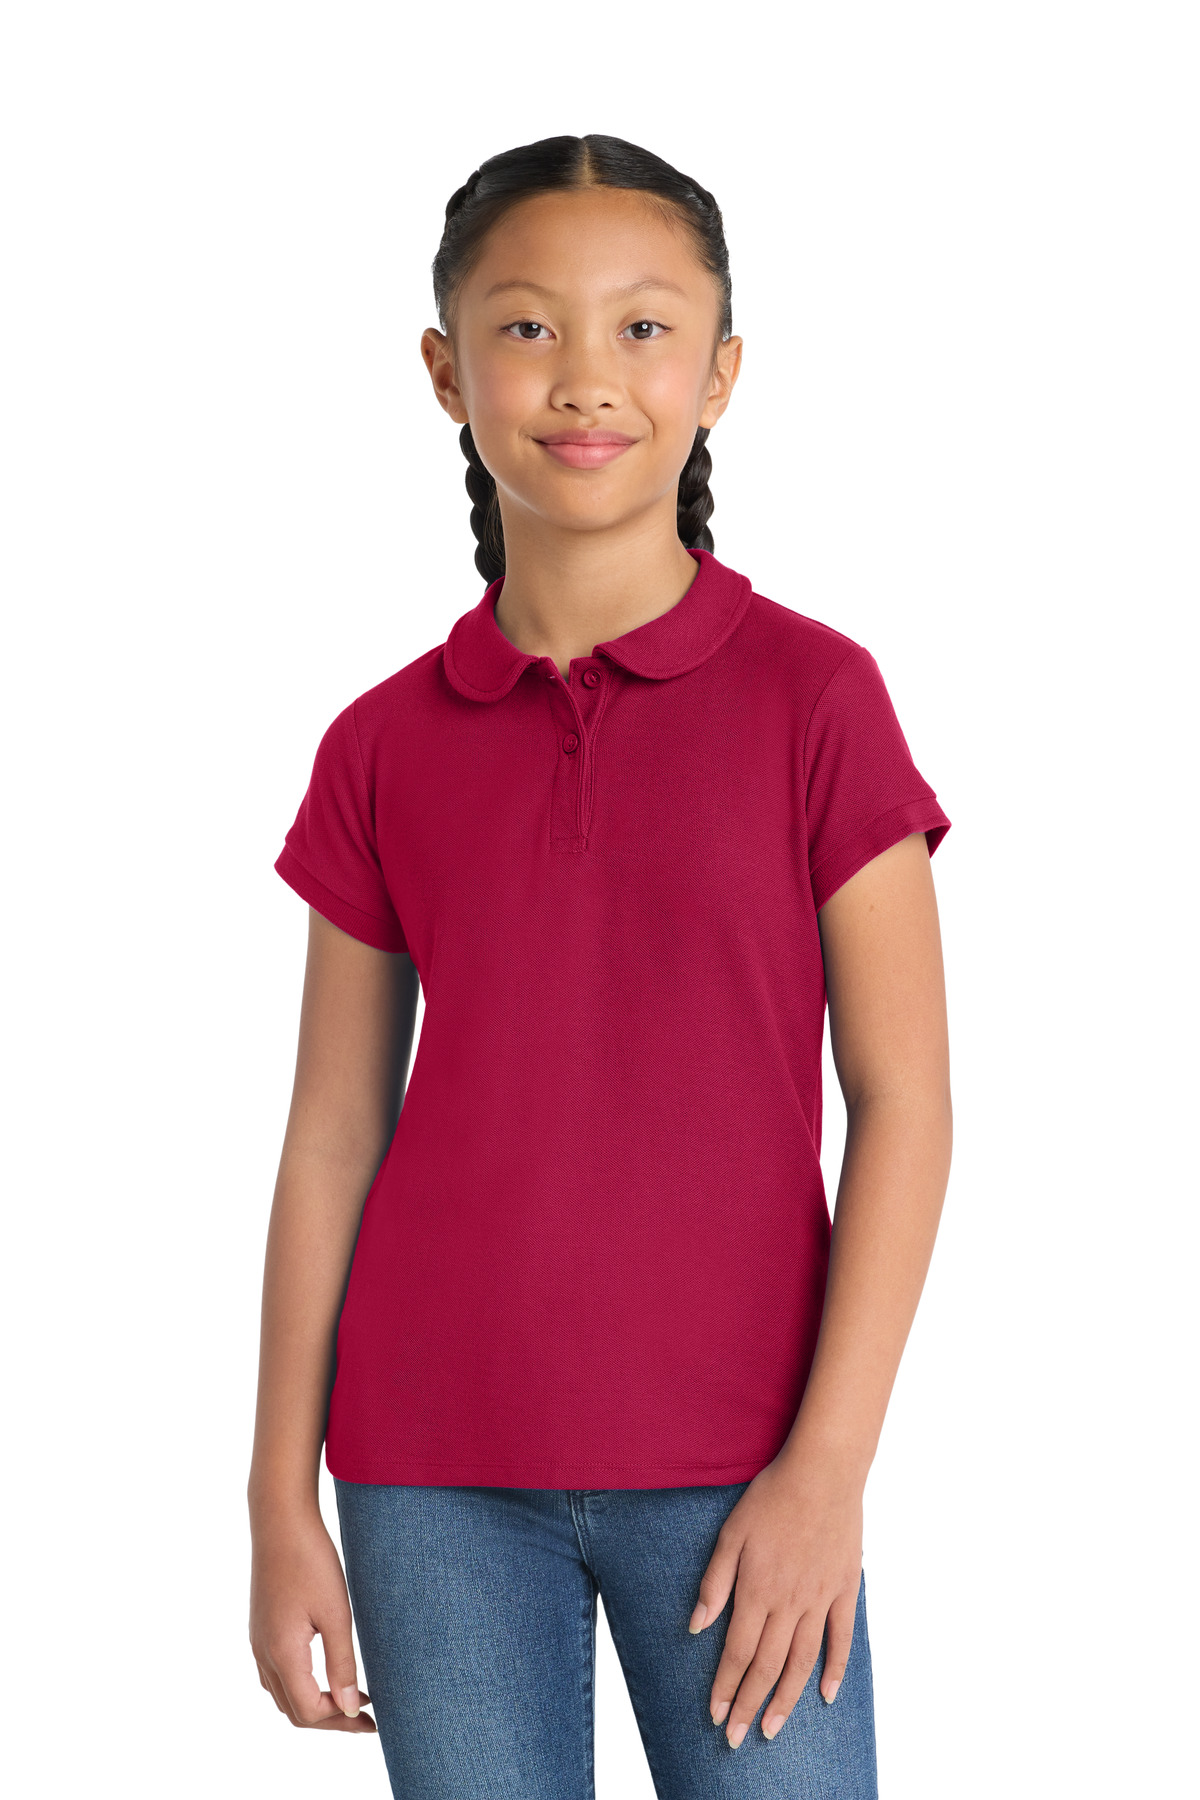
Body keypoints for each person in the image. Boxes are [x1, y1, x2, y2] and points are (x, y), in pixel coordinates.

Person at [248, 133, 953, 1800]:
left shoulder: (817, 698)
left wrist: (829, 1470)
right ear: (446, 372)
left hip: (744, 1468)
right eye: (526, 326)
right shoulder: (379, 745)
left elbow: (906, 1104)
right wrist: (280, 1495)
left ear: (721, 374)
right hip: (429, 1472)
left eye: (642, 328)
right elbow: (331, 1136)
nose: (584, 376)